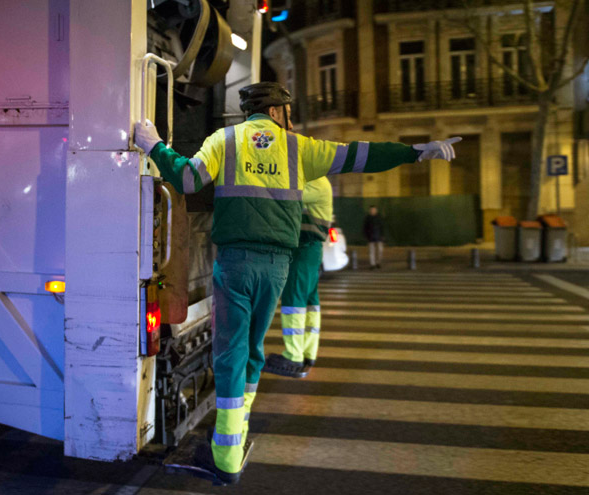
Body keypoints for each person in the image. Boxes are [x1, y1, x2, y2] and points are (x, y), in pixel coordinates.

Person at [134, 82, 459, 485]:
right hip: (277, 267)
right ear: (276, 111)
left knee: (231, 354)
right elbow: (362, 155)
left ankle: (226, 456)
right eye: (288, 112)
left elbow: (186, 179)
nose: (291, 119)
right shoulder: (300, 148)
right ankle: (236, 434)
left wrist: (153, 145)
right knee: (252, 351)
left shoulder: (225, 140)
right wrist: (415, 152)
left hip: (236, 264)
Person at [262, 176, 332, 379]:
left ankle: (293, 356)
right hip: (309, 249)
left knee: (294, 299)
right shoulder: (317, 181)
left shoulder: (317, 182)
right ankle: (308, 352)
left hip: (304, 247)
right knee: (310, 302)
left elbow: (287, 196)